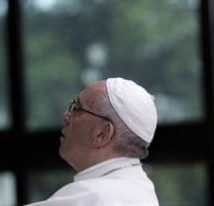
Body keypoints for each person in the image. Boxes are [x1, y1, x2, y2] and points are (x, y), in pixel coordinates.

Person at [26, 78, 160, 205]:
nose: (66, 115)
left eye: (76, 108)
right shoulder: (140, 188)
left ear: (102, 134)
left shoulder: (92, 198)